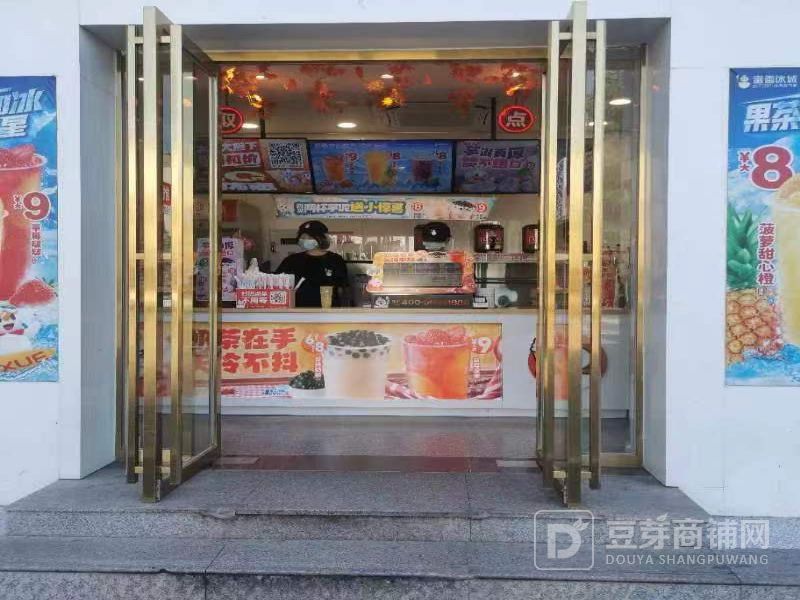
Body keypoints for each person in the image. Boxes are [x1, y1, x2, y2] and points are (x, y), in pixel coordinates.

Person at [275, 220, 348, 308]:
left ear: (321, 238)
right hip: (297, 311)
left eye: (310, 237)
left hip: (328, 311)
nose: (305, 239)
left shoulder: (335, 260)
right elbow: (277, 284)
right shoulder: (291, 260)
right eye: (302, 236)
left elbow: (342, 290)